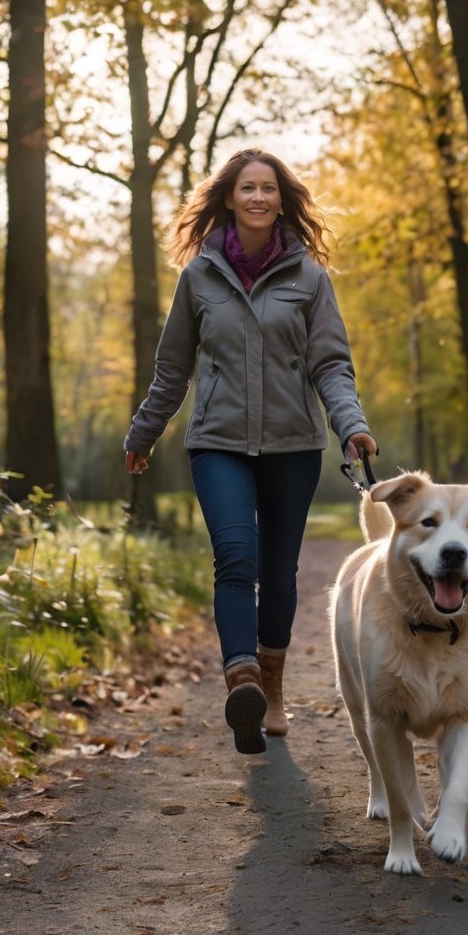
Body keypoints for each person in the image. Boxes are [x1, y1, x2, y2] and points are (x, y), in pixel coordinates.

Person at [124, 148, 377, 756]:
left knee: (279, 573)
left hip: (294, 444)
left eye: (268, 188)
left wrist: (352, 425)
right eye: (247, 188)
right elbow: (172, 368)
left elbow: (331, 365)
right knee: (234, 556)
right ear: (230, 198)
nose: (258, 197)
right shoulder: (199, 276)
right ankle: (241, 679)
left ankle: (273, 684)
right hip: (218, 442)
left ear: (281, 200)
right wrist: (144, 431)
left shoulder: (309, 278)